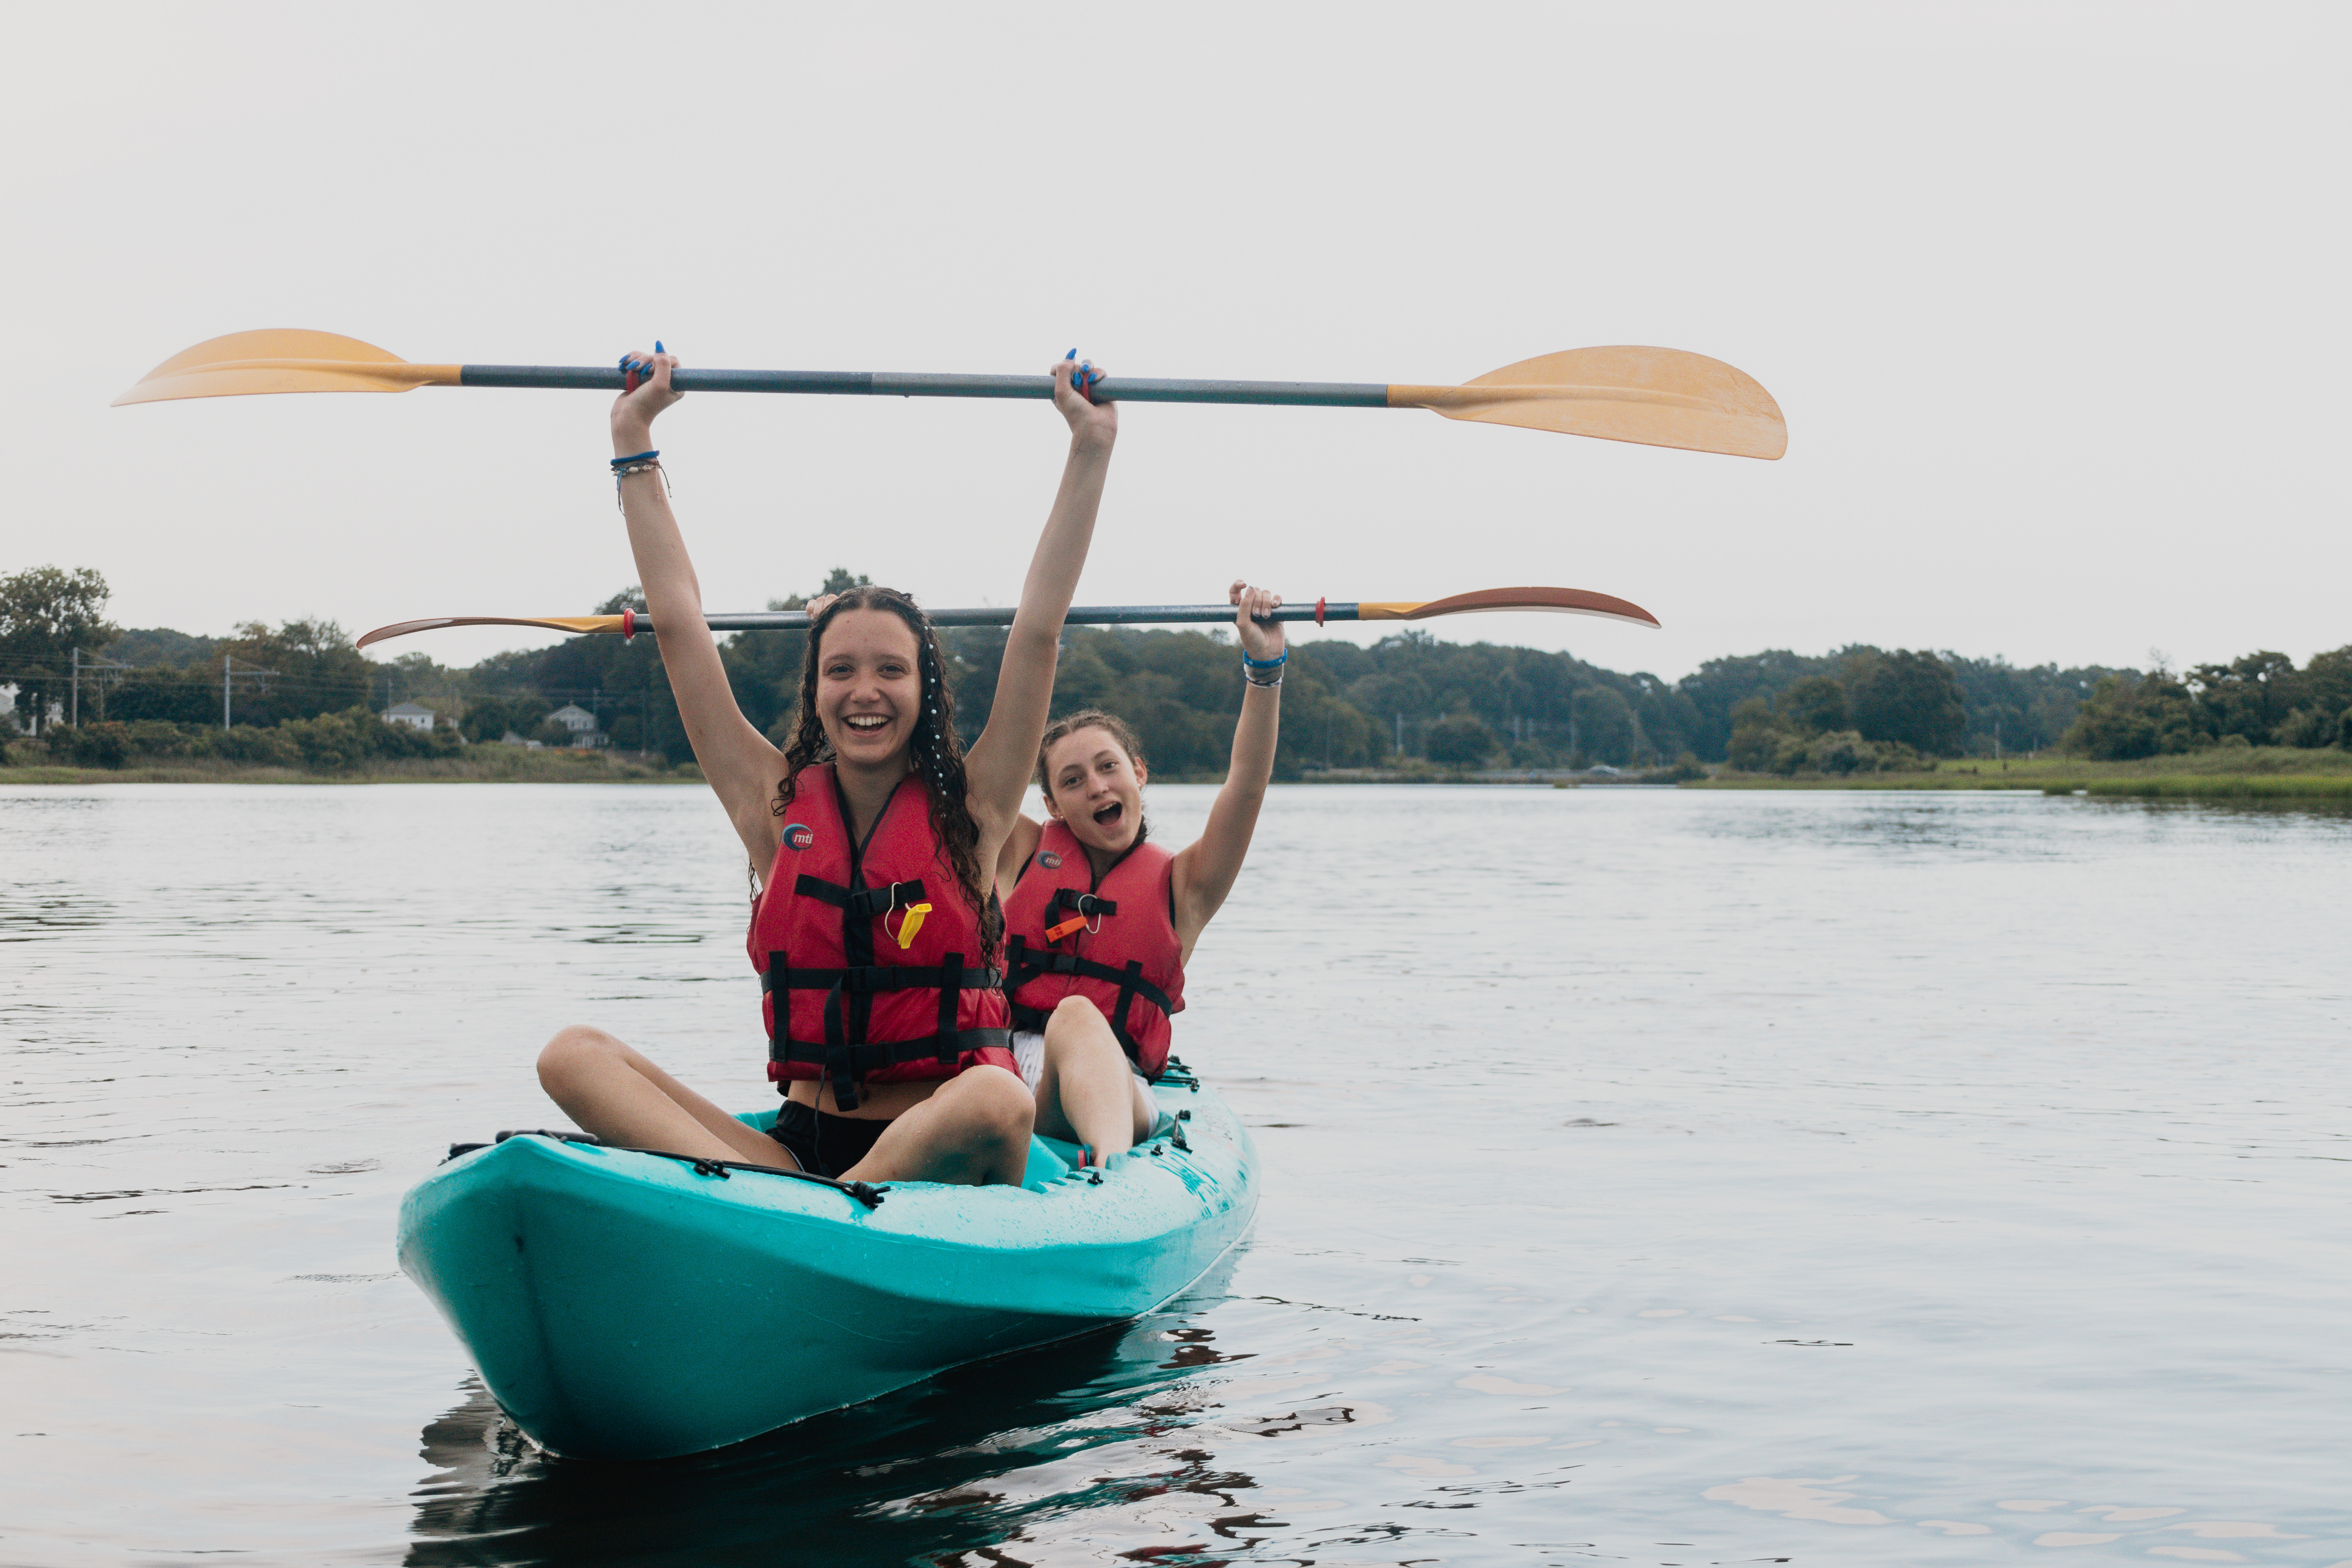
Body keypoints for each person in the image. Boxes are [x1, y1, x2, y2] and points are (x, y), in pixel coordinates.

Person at [536, 346, 1119, 1185]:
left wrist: (1088, 448)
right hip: (798, 1146)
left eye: (890, 669)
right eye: (840, 670)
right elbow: (678, 624)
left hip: (945, 1146)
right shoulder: (771, 806)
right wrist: (634, 438)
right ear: (813, 689)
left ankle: (824, 1211)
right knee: (572, 1055)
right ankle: (803, 1203)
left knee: (999, 1096)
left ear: (925, 687)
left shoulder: (977, 808)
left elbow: (1038, 628)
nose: (865, 691)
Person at [993, 581, 1286, 1164]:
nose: (1097, 786)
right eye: (1072, 781)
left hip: (1121, 1087)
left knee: (1076, 1017)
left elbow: (1246, 786)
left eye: (1108, 767)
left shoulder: (1187, 887)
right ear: (1052, 806)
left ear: (1139, 774)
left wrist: (1265, 669)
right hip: (1013, 1077)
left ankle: (1106, 1171)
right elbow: (953, 779)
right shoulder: (1018, 851)